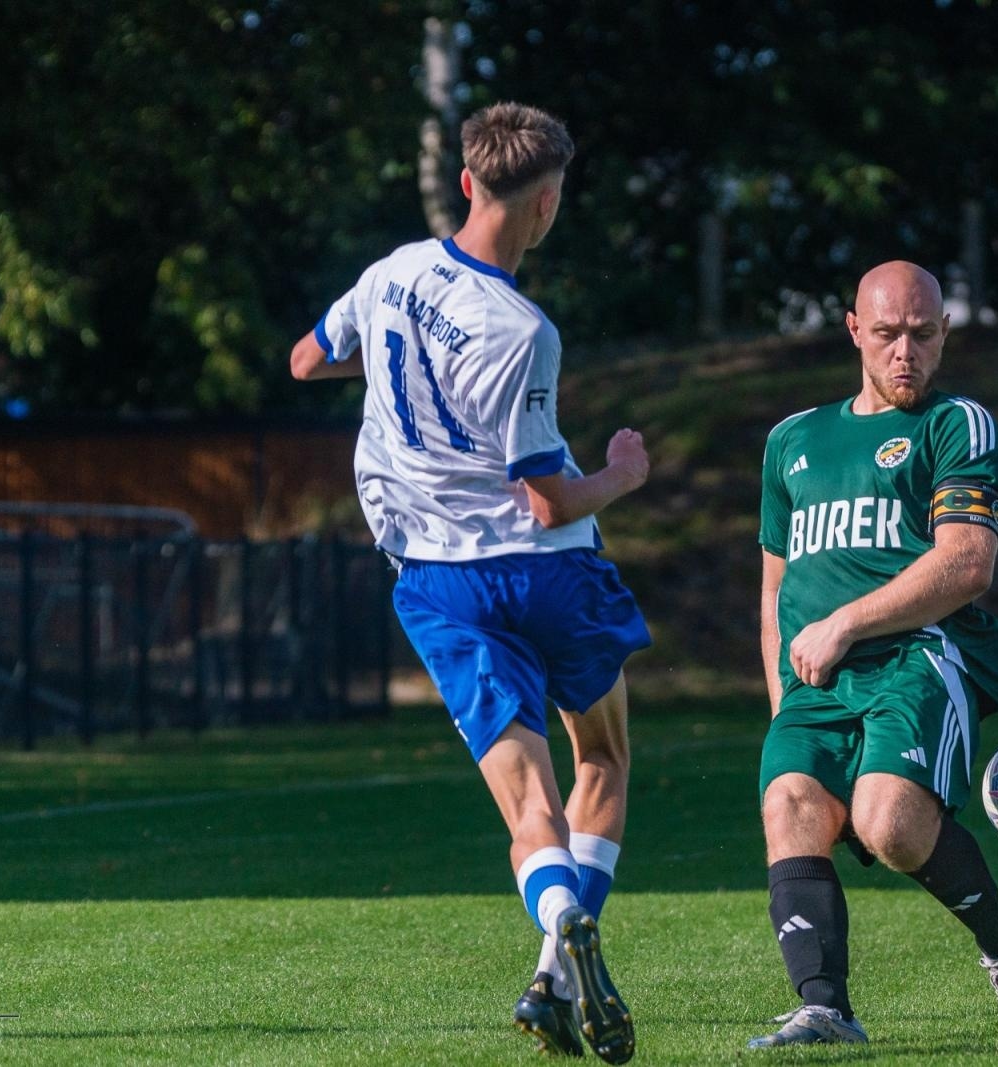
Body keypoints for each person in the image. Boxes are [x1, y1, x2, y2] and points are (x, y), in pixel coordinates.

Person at [289, 102, 647, 1064]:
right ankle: (556, 968)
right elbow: (545, 500)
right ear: (545, 205)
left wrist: (391, 385)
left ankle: (558, 925)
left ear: (465, 184)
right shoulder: (524, 332)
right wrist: (621, 472)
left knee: (529, 806)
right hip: (546, 575)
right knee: (603, 760)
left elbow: (307, 358)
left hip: (438, 585)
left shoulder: (392, 273)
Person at [749, 260, 998, 1048]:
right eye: (886, 334)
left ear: (946, 332)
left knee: (889, 822)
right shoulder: (792, 441)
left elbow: (967, 561)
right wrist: (784, 704)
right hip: (813, 676)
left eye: (922, 333)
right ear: (854, 329)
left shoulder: (957, 426)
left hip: (924, 654)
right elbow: (775, 590)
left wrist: (848, 621)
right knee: (790, 804)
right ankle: (824, 1007)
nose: (904, 352)